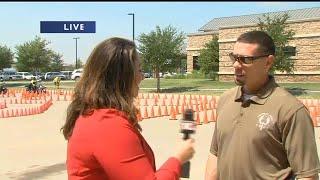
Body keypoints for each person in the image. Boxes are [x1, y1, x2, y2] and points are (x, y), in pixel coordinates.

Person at [61, 37, 195, 180]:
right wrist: (178, 159)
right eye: (139, 70)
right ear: (121, 77)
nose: (142, 76)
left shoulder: (95, 116)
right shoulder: (108, 125)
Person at [205, 31, 320, 180]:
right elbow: (216, 153)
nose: (235, 65)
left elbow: (307, 175)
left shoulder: (291, 110)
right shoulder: (225, 100)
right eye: (234, 57)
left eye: (245, 59)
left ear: (268, 62)